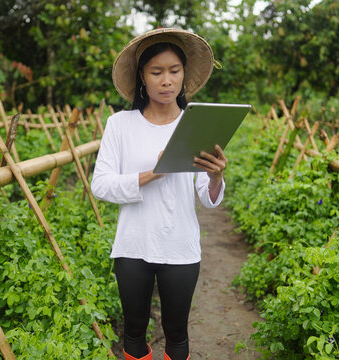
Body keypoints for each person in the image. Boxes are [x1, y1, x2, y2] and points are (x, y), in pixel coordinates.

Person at [91, 28, 227, 360]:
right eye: (157, 72)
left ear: (184, 75)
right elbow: (101, 185)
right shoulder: (120, 125)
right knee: (134, 332)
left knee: (177, 333)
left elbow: (207, 197)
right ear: (142, 77)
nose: (166, 80)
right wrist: (150, 174)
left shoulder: (193, 126)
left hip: (180, 245)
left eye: (174, 71)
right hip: (133, 244)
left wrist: (215, 176)